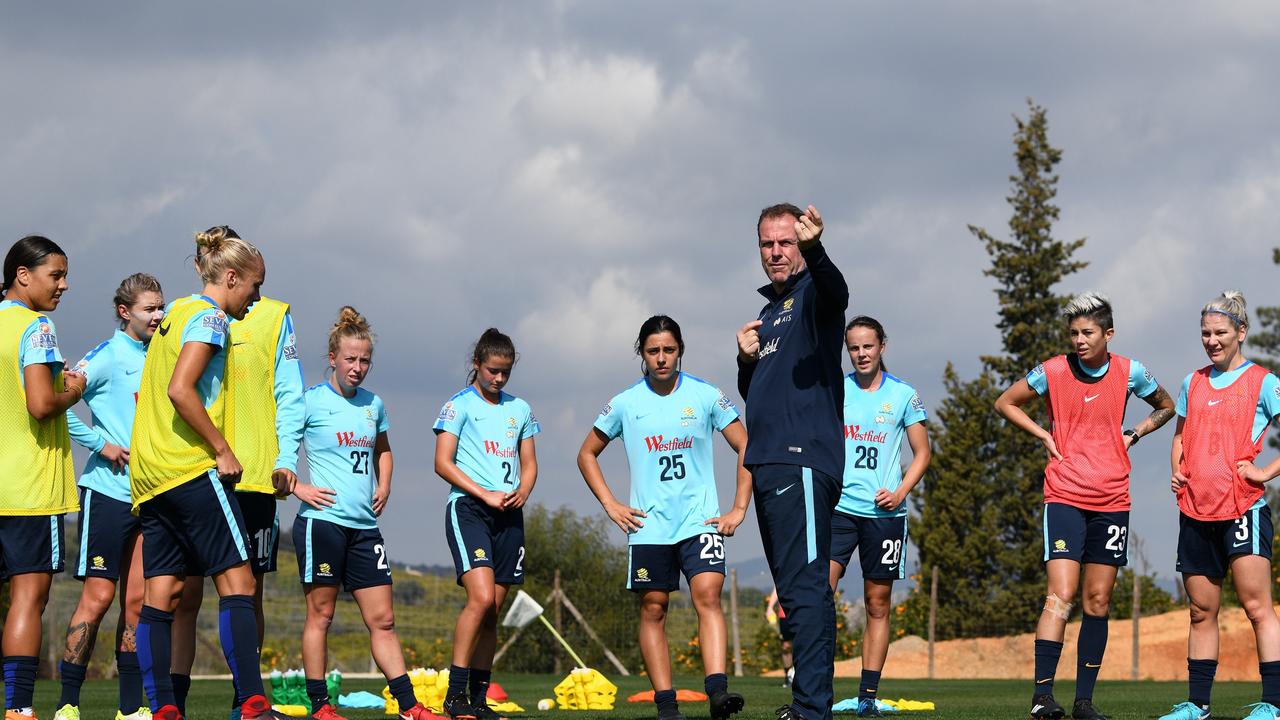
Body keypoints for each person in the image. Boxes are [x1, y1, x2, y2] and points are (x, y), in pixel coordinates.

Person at [128, 226, 288, 720]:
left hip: (152, 477)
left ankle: (163, 709)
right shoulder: (211, 319)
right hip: (190, 469)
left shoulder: (174, 311)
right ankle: (254, 707)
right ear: (232, 277)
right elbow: (181, 389)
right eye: (254, 287)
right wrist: (222, 448)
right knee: (240, 585)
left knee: (162, 594)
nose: (255, 298)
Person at [995, 292, 1175, 720]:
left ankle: (1084, 703)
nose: (1079, 340)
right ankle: (1042, 698)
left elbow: (1167, 406)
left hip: (1113, 498)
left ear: (1108, 334)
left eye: (1088, 332)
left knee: (1098, 601)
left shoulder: (1131, 371)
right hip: (1064, 496)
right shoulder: (1053, 370)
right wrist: (1042, 434)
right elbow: (1005, 401)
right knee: (1061, 595)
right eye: (1073, 333)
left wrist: (1135, 433)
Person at [578, 315, 751, 720]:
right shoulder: (624, 403)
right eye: (653, 351)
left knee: (707, 596)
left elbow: (747, 446)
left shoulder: (707, 395)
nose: (661, 358)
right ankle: (667, 705)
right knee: (654, 608)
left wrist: (738, 508)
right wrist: (612, 504)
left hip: (700, 521)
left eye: (668, 350)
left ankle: (718, 693)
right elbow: (586, 454)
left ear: (680, 350)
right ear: (642, 353)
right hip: (649, 527)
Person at [290, 307, 436, 720]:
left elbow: (384, 449)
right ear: (333, 358)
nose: (358, 368)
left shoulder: (375, 405)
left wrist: (384, 484)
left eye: (365, 360)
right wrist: (299, 487)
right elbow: (276, 454)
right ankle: (320, 705)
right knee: (321, 615)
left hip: (365, 529)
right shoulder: (309, 402)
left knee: (384, 620)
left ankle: (410, 708)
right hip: (322, 524)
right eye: (350, 359)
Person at [170, 281, 303, 720]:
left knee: (249, 593)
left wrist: (284, 459)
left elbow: (289, 393)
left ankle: (246, 703)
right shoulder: (186, 312)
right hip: (195, 472)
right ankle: (174, 704)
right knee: (183, 596)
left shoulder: (274, 314)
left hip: (253, 478)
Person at [735, 203, 848, 720]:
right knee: (794, 592)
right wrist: (746, 361)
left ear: (800, 245)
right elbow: (759, 394)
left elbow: (837, 294)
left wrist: (817, 247)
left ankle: (811, 709)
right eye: (767, 244)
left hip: (802, 459)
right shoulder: (769, 313)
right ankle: (808, 704)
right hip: (769, 461)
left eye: (786, 242)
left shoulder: (813, 297)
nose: (776, 252)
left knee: (805, 589)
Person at [1158, 291, 1280, 720]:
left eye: (1220, 332)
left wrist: (1264, 473)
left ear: (1240, 333)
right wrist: (1178, 470)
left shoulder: (1263, 382)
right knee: (1200, 610)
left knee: (1255, 606)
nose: (1211, 340)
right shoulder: (1193, 381)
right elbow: (1180, 435)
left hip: (1243, 509)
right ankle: (1197, 705)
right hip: (1195, 510)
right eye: (1205, 333)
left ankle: (1274, 704)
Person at [54, 274, 165, 720]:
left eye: (161, 307)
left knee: (137, 602)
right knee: (98, 599)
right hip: (108, 494)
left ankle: (128, 708)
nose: (158, 316)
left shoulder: (165, 355)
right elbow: (55, 405)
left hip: (152, 496)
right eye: (149, 309)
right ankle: (66, 704)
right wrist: (101, 445)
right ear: (125, 312)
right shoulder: (104, 355)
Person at [434, 329, 539, 720]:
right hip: (470, 510)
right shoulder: (457, 406)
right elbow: (442, 462)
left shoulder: (521, 409)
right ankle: (454, 696)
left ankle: (478, 700)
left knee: (493, 610)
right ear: (477, 364)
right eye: (493, 370)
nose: (498, 379)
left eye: (505, 373)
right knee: (479, 599)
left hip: (509, 515)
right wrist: (484, 493)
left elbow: (529, 463)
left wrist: (524, 490)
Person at [830, 316, 931, 718]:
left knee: (877, 604)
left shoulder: (904, 395)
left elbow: (923, 453)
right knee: (821, 593)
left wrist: (900, 491)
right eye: (853, 348)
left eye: (867, 346)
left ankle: (867, 696)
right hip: (838, 510)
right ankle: (813, 688)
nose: (860, 354)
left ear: (882, 346)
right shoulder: (834, 389)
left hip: (884, 516)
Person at [0, 236, 83, 720]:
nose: (64, 285)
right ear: (22, 275)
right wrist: (71, 390)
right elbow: (39, 404)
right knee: (28, 599)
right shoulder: (38, 328)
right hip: (29, 488)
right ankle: (18, 708)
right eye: (56, 275)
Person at [765, 589, 794, 688]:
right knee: (786, 646)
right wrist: (770, 607)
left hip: (803, 610)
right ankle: (788, 676)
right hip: (785, 613)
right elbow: (777, 587)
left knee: (803, 643)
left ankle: (800, 675)